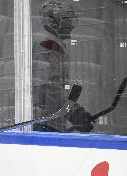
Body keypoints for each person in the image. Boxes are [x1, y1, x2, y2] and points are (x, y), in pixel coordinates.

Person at [31, 0, 94, 133]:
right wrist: (75, 113)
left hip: (47, 118)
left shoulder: (51, 41)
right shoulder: (49, 44)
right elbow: (50, 87)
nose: (72, 26)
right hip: (45, 120)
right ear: (53, 22)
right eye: (67, 20)